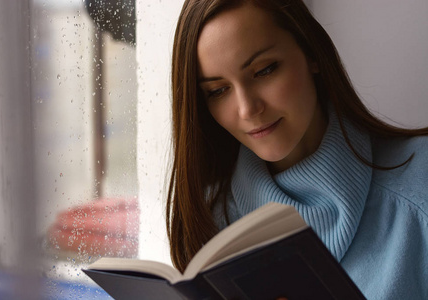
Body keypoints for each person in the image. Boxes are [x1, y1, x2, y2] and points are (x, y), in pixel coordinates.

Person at [166, 0, 428, 299]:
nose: (247, 109)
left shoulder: (420, 185)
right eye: (218, 90)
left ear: (311, 53)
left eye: (264, 70)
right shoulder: (209, 221)